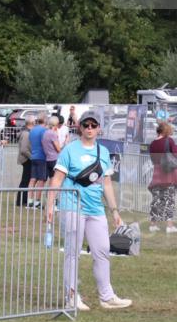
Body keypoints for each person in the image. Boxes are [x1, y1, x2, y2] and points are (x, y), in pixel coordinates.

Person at [46, 110, 132, 311]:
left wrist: (115, 211)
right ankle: (71, 296)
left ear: (99, 128)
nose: (90, 129)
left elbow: (107, 184)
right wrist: (50, 204)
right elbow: (57, 179)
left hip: (96, 209)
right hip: (72, 206)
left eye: (94, 125)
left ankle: (107, 296)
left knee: (102, 251)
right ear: (80, 127)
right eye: (86, 125)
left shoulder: (103, 153)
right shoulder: (69, 150)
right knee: (72, 253)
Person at [148, 121, 177, 233]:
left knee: (156, 201)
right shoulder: (169, 141)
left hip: (156, 175)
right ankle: (169, 226)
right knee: (169, 200)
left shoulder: (152, 144)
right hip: (168, 175)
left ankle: (153, 225)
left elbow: (152, 159)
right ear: (167, 131)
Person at [27, 114, 47, 208]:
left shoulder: (32, 130)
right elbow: (45, 143)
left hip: (33, 156)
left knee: (33, 179)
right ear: (44, 120)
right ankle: (37, 202)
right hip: (42, 156)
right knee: (41, 180)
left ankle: (30, 200)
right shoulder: (44, 130)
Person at [16, 117, 34, 207]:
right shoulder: (26, 134)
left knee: (26, 181)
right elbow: (24, 149)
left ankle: (23, 200)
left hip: (26, 159)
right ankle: (21, 201)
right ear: (31, 123)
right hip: (27, 159)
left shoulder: (26, 133)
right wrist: (32, 157)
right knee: (25, 181)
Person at [42, 115, 63, 180]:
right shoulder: (53, 134)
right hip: (54, 159)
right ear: (56, 124)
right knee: (55, 179)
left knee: (51, 178)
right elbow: (58, 149)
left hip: (48, 158)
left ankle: (50, 190)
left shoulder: (45, 132)